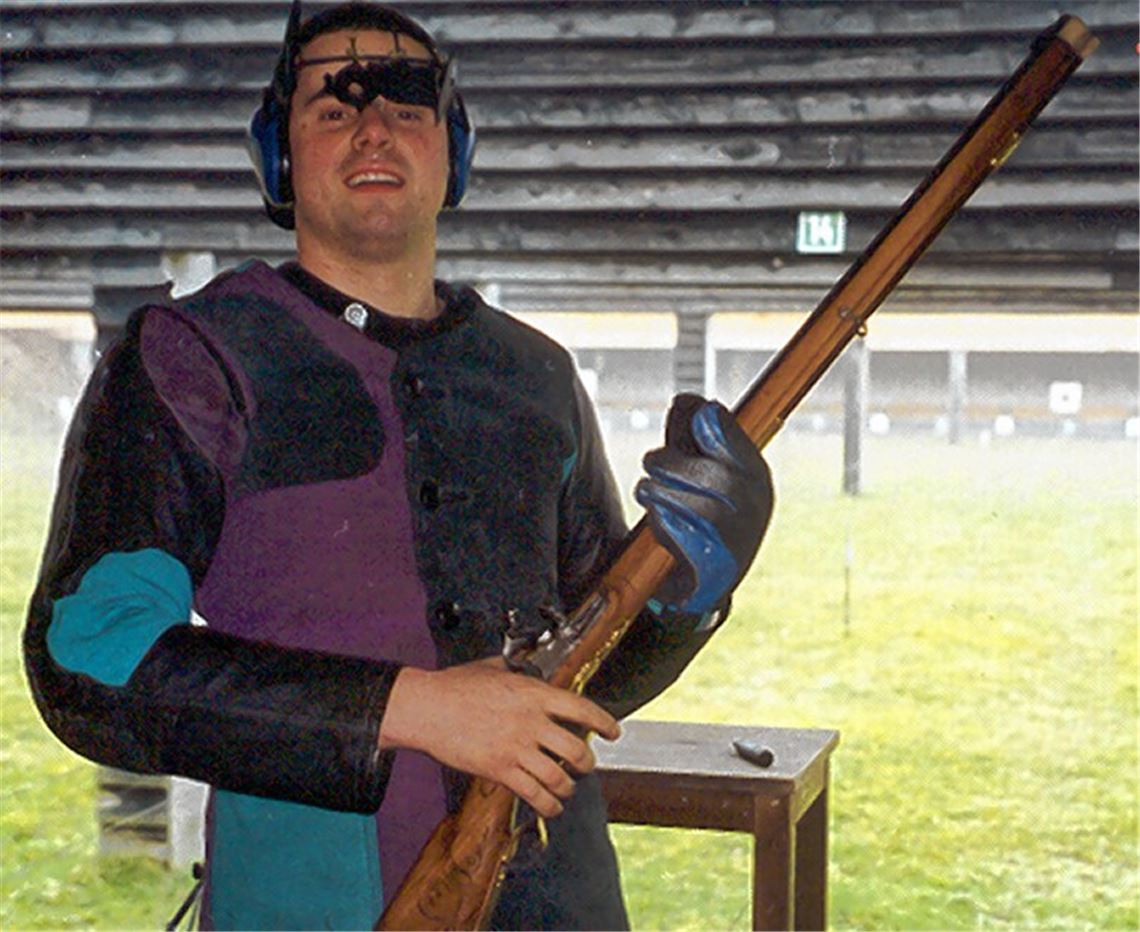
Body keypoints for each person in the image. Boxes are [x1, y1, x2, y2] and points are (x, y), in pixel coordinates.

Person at [23, 3, 774, 929]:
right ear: (280, 153)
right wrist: (411, 710)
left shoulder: (536, 373)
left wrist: (683, 594)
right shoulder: (192, 356)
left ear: (451, 149)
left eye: (410, 104)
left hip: (558, 896)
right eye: (332, 107)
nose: (374, 126)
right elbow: (90, 658)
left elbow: (590, 672)